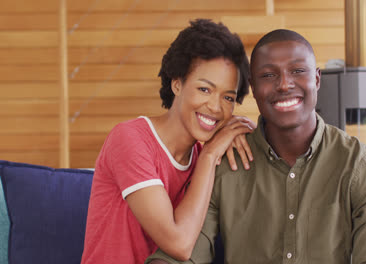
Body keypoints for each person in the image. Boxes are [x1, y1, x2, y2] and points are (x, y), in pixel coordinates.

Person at [146, 29, 366, 264]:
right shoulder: (224, 165)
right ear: (253, 88)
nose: (284, 84)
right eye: (268, 75)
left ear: (317, 79)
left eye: (298, 71)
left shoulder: (360, 166)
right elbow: (181, 256)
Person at [81, 19, 255, 264]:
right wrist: (209, 155)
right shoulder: (130, 139)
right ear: (177, 84)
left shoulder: (203, 153)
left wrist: (248, 132)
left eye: (228, 97)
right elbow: (179, 244)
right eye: (204, 89)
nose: (216, 107)